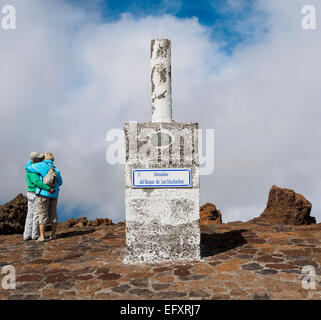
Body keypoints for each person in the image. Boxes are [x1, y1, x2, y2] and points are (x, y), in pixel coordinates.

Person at [25, 152, 63, 242]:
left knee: (42, 214)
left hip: (43, 194)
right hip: (54, 194)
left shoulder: (41, 166)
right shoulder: (56, 169)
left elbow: (27, 167)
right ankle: (53, 235)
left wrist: (30, 161)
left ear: (45, 158)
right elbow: (60, 182)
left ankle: (41, 236)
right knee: (53, 214)